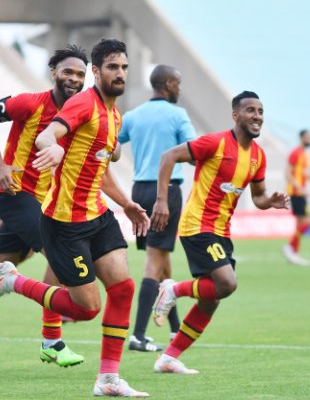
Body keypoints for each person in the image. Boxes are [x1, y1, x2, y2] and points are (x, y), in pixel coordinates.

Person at [0, 39, 150, 398]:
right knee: (87, 309)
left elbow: (101, 169)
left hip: (98, 216)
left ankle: (108, 379)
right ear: (97, 72)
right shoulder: (82, 104)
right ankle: (13, 284)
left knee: (123, 289)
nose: (120, 73)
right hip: (64, 223)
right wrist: (54, 147)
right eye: (112, 67)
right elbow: (47, 135)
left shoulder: (114, 114)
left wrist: (126, 203)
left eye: (124, 67)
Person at [150, 91, 290, 374]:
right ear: (235, 115)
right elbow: (168, 156)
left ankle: (168, 358)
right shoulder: (215, 143)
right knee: (227, 283)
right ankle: (173, 289)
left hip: (221, 231)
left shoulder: (258, 157)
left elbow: (258, 196)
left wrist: (269, 202)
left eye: (260, 111)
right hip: (197, 225)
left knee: (211, 299)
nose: (257, 116)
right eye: (250, 110)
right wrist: (162, 201)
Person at [0, 45, 88, 367]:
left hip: (44, 203)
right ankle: (52, 341)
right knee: (60, 252)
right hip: (15, 194)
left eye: (80, 74)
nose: (74, 79)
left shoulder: (80, 113)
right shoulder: (30, 103)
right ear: (53, 73)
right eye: (68, 71)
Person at [117, 64, 195, 352]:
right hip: (166, 192)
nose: (180, 89)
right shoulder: (177, 115)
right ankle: (137, 335)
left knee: (162, 261)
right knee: (154, 261)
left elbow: (112, 147)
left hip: (140, 191)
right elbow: (194, 153)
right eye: (178, 83)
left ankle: (175, 329)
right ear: (169, 84)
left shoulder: (132, 116)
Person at [282, 129, 310, 266]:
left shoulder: (305, 155)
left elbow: (304, 173)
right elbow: (288, 174)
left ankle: (293, 252)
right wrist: (300, 188)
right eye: (308, 137)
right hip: (296, 193)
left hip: (300, 193)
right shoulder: (296, 153)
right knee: (308, 221)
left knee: (300, 224)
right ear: (302, 138)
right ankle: (290, 248)